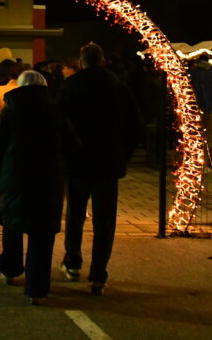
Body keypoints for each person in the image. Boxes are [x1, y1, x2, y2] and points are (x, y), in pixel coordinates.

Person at [0, 70, 79, 305]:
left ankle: (10, 268)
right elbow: (73, 146)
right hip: (48, 180)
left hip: (14, 178)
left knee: (13, 225)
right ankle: (37, 289)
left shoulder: (9, 112)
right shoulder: (56, 112)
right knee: (42, 235)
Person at [59, 42, 141, 295]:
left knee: (75, 214)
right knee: (105, 220)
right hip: (108, 162)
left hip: (78, 161)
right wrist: (123, 153)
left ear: (82, 62)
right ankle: (98, 274)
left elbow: (59, 122)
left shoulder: (70, 86)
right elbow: (135, 124)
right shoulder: (118, 87)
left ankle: (73, 262)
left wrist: (66, 153)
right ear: (103, 60)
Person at [189, 55, 212, 164]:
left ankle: (193, 162)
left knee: (195, 137)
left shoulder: (192, 74)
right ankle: (203, 163)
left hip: (195, 111)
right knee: (208, 139)